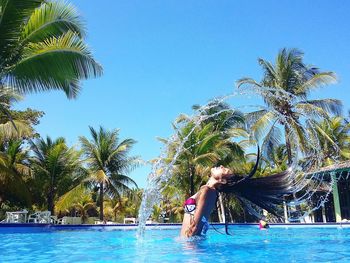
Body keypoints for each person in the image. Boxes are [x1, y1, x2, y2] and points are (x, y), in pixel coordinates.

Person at [180, 161, 293, 237]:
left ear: (222, 181)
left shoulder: (208, 191)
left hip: (192, 247)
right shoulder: (209, 191)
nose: (221, 166)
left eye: (224, 170)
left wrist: (188, 251)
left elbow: (195, 227)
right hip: (191, 244)